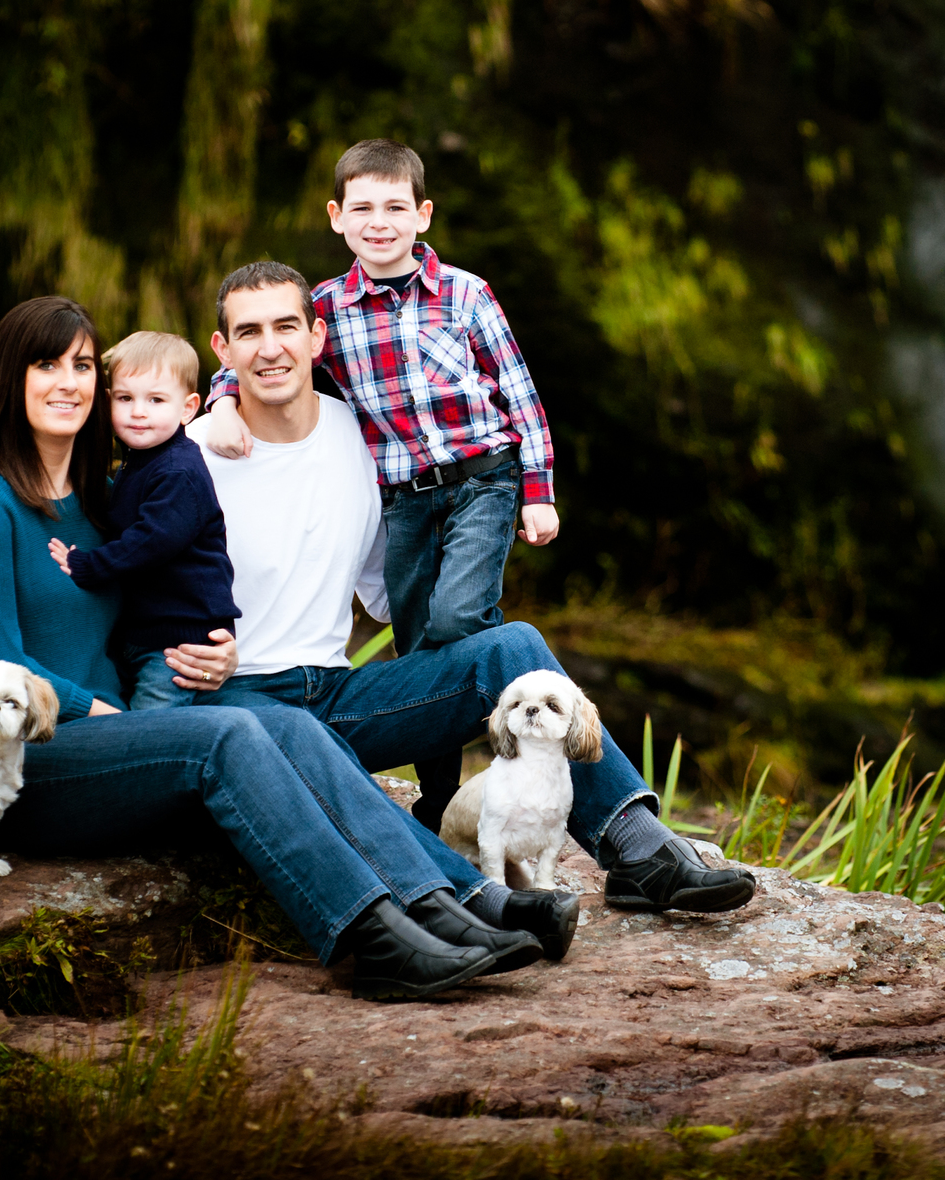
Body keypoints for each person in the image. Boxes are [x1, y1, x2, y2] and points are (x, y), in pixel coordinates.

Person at [0, 294, 544, 998]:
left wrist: (204, 653)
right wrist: (100, 715)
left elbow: (131, 626)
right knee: (227, 736)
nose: (69, 382)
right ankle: (373, 941)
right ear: (10, 377)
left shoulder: (102, 498)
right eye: (46, 365)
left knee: (289, 725)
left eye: (83, 365)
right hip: (22, 764)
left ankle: (446, 903)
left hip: (123, 739)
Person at [192, 263, 756, 925]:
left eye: (286, 326)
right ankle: (485, 902)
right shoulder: (190, 455)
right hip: (240, 708)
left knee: (510, 647)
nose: (270, 347)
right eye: (248, 332)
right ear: (221, 350)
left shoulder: (363, 440)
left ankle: (637, 849)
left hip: (339, 698)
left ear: (319, 337)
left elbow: (385, 591)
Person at [200, 138, 555, 831]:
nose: (379, 221)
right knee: (415, 638)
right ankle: (441, 796)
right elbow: (259, 353)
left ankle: (520, 752)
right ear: (336, 217)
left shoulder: (465, 292)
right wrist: (217, 403)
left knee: (456, 623)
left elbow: (521, 395)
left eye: (395, 207)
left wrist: (537, 491)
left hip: (483, 478)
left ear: (423, 214)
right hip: (406, 496)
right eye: (362, 207)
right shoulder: (326, 308)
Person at [43, 329, 233, 712]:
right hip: (147, 632)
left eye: (156, 400)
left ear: (188, 408)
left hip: (179, 643)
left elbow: (150, 542)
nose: (138, 411)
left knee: (151, 727)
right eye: (126, 398)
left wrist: (88, 565)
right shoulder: (141, 461)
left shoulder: (179, 471)